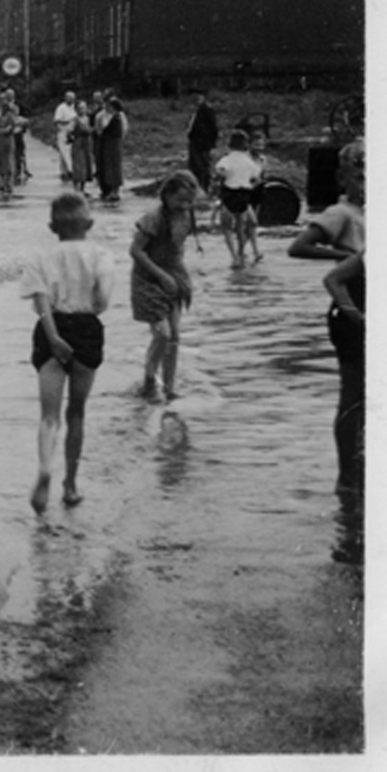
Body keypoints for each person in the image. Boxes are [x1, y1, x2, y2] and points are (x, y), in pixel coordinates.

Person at [21, 192, 116, 513]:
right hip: (87, 328)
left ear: (52, 226)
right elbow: (103, 299)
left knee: (49, 415)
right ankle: (71, 485)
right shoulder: (101, 254)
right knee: (76, 412)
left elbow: (40, 301)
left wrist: (54, 337)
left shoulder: (41, 256)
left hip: (51, 330)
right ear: (89, 223)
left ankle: (45, 468)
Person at [288, 139, 365, 495]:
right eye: (358, 173)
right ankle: (346, 476)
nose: (366, 181)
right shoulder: (341, 212)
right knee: (353, 393)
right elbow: (298, 246)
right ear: (344, 177)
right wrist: (346, 254)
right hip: (350, 303)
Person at [130, 170, 201, 402]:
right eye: (180, 200)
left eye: (190, 201)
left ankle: (169, 389)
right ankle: (149, 379)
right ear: (167, 195)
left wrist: (182, 280)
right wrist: (161, 275)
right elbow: (135, 251)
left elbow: (177, 249)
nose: (185, 205)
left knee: (174, 337)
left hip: (174, 276)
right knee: (162, 333)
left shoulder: (187, 216)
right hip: (148, 278)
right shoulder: (153, 219)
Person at [321, 251, 365, 498]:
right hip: (352, 325)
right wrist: (357, 316)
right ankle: (347, 479)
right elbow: (332, 279)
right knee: (353, 397)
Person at [212, 129, 264, 268]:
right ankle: (241, 254)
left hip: (230, 193)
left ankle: (234, 257)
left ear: (230, 144)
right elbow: (256, 176)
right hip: (245, 195)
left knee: (227, 228)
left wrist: (220, 179)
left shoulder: (227, 159)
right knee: (241, 227)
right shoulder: (248, 161)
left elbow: (220, 170)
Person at [94, 93, 128, 202]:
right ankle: (107, 190)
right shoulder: (101, 115)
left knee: (115, 166)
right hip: (106, 144)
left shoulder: (117, 117)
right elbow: (99, 130)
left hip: (114, 144)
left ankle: (115, 191)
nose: (107, 107)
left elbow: (122, 130)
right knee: (106, 166)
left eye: (109, 105)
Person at [186, 88, 219, 195]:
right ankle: (197, 188)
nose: (196, 100)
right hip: (194, 142)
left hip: (203, 144)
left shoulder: (207, 110)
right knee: (194, 166)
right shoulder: (196, 109)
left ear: (203, 97)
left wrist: (211, 144)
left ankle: (204, 189)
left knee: (203, 167)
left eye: (198, 97)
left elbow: (213, 128)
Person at [68, 100, 94, 195]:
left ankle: (83, 188)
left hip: (87, 144)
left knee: (87, 165)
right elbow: (69, 131)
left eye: (83, 108)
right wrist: (71, 136)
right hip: (78, 144)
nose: (82, 110)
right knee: (78, 165)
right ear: (76, 109)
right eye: (80, 108)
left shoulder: (89, 119)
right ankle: (77, 188)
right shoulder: (75, 120)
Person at [53, 90, 78, 181]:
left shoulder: (75, 108)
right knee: (64, 152)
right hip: (63, 132)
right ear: (65, 98)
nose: (71, 100)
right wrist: (67, 121)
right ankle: (67, 171)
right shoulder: (61, 108)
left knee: (70, 152)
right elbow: (56, 120)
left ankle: (67, 171)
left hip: (72, 132)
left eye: (72, 98)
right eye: (69, 98)